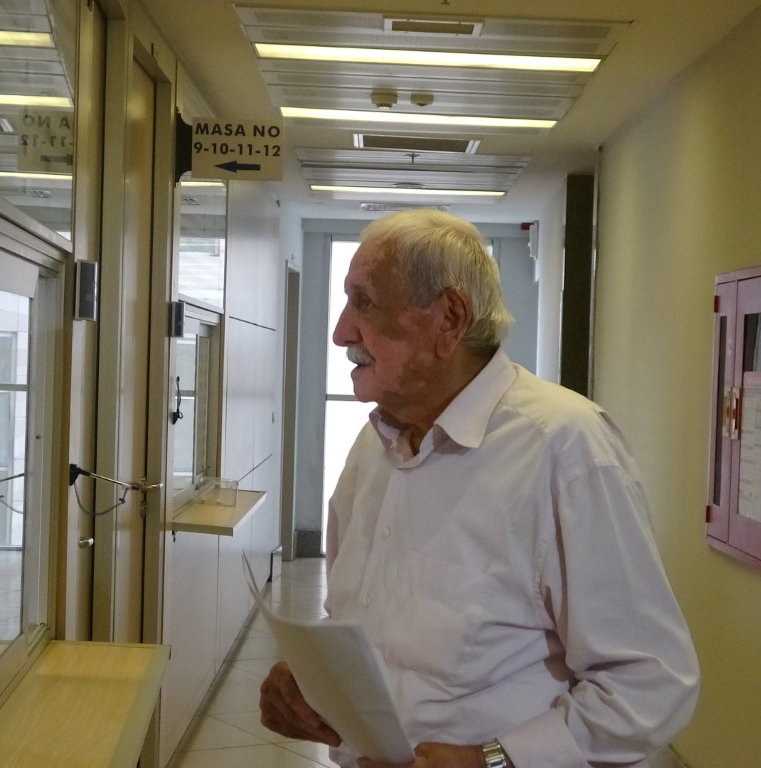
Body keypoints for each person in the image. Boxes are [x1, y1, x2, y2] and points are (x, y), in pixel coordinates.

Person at [260, 210, 699, 768]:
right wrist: (311, 682)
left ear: (449, 318)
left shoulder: (565, 450)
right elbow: (366, 624)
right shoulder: (372, 449)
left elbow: (650, 682)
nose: (341, 332)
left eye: (364, 302)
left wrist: (493, 760)